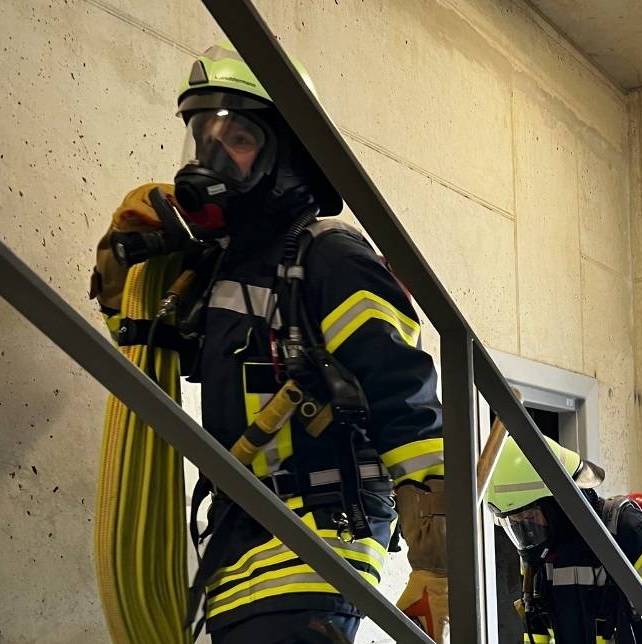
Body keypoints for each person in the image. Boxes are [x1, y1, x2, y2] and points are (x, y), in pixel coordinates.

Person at [91, 42, 448, 643]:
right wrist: (123, 271)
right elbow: (146, 358)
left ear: (290, 156)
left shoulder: (329, 257)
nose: (211, 157)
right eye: (202, 137)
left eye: (237, 139)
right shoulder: (215, 273)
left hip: (315, 539)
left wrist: (438, 552)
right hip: (235, 551)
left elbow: (403, 393)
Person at [485, 436, 642, 644]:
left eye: (530, 517)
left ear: (557, 504)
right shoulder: (541, 556)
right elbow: (536, 630)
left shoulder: (627, 532)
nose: (525, 531)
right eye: (513, 522)